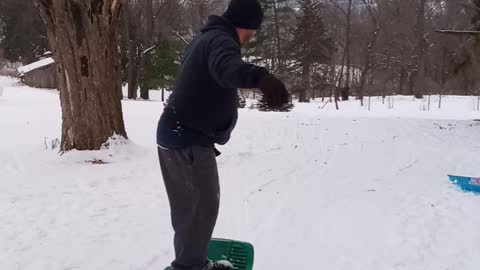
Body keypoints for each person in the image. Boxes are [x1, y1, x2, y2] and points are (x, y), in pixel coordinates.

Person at [156, 0, 289, 269]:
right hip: (187, 138)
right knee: (201, 208)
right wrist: (261, 78)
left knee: (190, 208)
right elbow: (226, 67)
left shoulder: (207, 37)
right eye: (254, 30)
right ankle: (190, 266)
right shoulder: (222, 42)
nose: (254, 36)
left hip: (177, 131)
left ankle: (190, 261)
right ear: (248, 26)